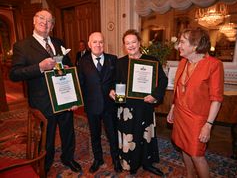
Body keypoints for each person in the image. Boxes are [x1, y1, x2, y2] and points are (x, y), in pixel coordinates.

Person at [9, 9, 82, 174]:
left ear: (52, 26)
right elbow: (14, 74)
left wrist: (73, 93)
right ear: (34, 21)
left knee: (67, 130)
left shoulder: (59, 42)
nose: (45, 22)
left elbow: (69, 65)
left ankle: (68, 157)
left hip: (64, 97)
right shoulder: (22, 46)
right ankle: (44, 164)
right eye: (41, 18)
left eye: (49, 20)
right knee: (46, 138)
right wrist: (39, 67)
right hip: (42, 101)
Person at [109, 29, 168, 176]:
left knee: (144, 135)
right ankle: (132, 164)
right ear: (124, 45)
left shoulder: (151, 60)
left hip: (145, 105)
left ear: (139, 43)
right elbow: (114, 82)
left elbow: (163, 80)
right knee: (130, 136)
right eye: (127, 43)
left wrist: (155, 96)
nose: (131, 45)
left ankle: (147, 163)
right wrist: (112, 91)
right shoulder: (120, 62)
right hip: (126, 108)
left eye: (133, 42)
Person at [167, 28, 224, 178]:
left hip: (197, 119)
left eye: (182, 42)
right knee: (184, 148)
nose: (179, 45)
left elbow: (216, 99)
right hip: (180, 115)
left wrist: (208, 125)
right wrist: (173, 108)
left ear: (195, 45)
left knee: (197, 155)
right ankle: (190, 175)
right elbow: (178, 89)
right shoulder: (183, 62)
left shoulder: (214, 65)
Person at [77, 32, 122, 173]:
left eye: (101, 42)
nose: (98, 45)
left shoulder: (113, 59)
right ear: (90, 45)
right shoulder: (82, 62)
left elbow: (118, 80)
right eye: (95, 42)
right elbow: (80, 84)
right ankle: (98, 159)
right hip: (92, 106)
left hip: (110, 106)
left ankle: (116, 159)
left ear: (104, 44)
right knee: (94, 134)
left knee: (113, 134)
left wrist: (115, 92)